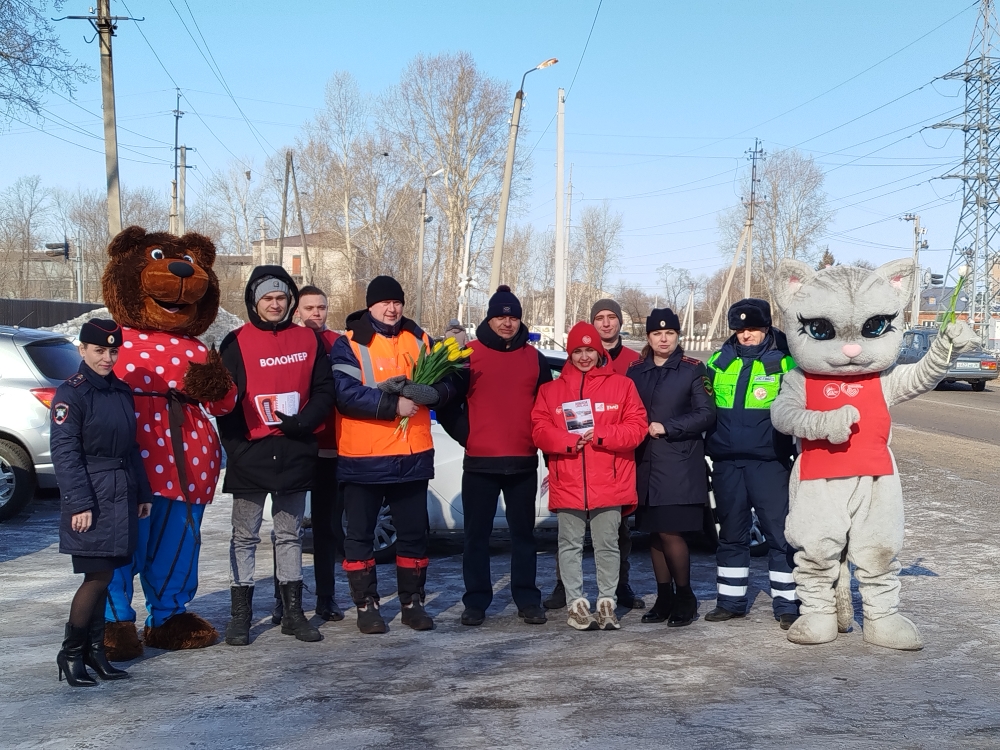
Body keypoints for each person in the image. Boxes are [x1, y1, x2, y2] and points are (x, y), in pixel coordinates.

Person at [217, 266, 337, 646]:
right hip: (250, 453)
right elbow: (224, 403)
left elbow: (324, 391)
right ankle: (241, 617)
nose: (274, 304)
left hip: (295, 451)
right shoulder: (235, 341)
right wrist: (235, 448)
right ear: (255, 301)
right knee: (244, 536)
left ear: (290, 302)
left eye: (281, 298)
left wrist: (304, 424)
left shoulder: (309, 340)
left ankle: (293, 613)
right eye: (267, 298)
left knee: (290, 535)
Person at [332, 275, 458, 634]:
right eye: (385, 302)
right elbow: (345, 394)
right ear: (370, 305)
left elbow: (448, 381)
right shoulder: (350, 343)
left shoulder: (420, 339)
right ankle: (366, 605)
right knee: (360, 536)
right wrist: (393, 404)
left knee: (414, 534)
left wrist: (437, 394)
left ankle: (412, 602)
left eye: (397, 302)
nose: (392, 308)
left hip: (412, 454)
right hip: (364, 456)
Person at [50, 319, 153, 687]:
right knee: (95, 578)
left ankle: (96, 652)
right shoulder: (71, 394)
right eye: (99, 350)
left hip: (120, 493)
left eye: (113, 351)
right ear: (82, 350)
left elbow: (131, 447)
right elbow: (64, 453)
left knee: (106, 575)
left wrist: (142, 493)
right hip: (90, 495)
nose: (108, 358)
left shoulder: (121, 391)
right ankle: (72, 653)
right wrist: (79, 504)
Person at [444, 285, 552, 627]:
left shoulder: (534, 358)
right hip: (480, 463)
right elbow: (447, 406)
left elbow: (548, 409)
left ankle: (527, 598)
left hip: (522, 462)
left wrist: (548, 454)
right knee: (476, 537)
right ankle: (476, 601)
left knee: (524, 536)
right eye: (500, 316)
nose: (507, 323)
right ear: (489, 319)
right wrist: (470, 437)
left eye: (513, 317)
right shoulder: (468, 356)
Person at [531, 322, 648, 630]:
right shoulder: (551, 390)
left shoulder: (622, 386)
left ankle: (607, 602)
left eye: (590, 351)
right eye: (578, 351)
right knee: (568, 544)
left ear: (599, 352)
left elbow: (636, 428)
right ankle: (576, 604)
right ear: (569, 354)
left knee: (608, 544)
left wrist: (601, 435)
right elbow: (539, 430)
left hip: (609, 481)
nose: (584, 357)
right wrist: (568, 441)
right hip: (568, 480)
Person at [705, 299, 799, 629]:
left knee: (780, 537)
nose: (747, 335)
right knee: (731, 536)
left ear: (766, 328)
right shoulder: (719, 361)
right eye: (741, 330)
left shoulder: (786, 363)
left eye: (754, 329)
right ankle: (731, 602)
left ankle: (788, 604)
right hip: (728, 464)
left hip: (770, 464)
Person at [627, 308, 716, 627]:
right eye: (656, 334)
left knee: (671, 531)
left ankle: (685, 597)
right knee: (653, 533)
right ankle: (663, 597)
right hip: (645, 464)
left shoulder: (693, 369)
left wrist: (669, 426)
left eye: (669, 333)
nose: (663, 339)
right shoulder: (636, 371)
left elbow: (706, 414)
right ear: (648, 337)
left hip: (678, 463)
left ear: (677, 336)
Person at [268, 285, 345, 626]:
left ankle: (326, 597)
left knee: (328, 527)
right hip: (293, 447)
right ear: (297, 310)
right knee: (287, 528)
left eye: (321, 307)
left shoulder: (338, 344)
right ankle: (282, 597)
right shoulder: (288, 343)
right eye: (309, 307)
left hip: (330, 447)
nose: (316, 313)